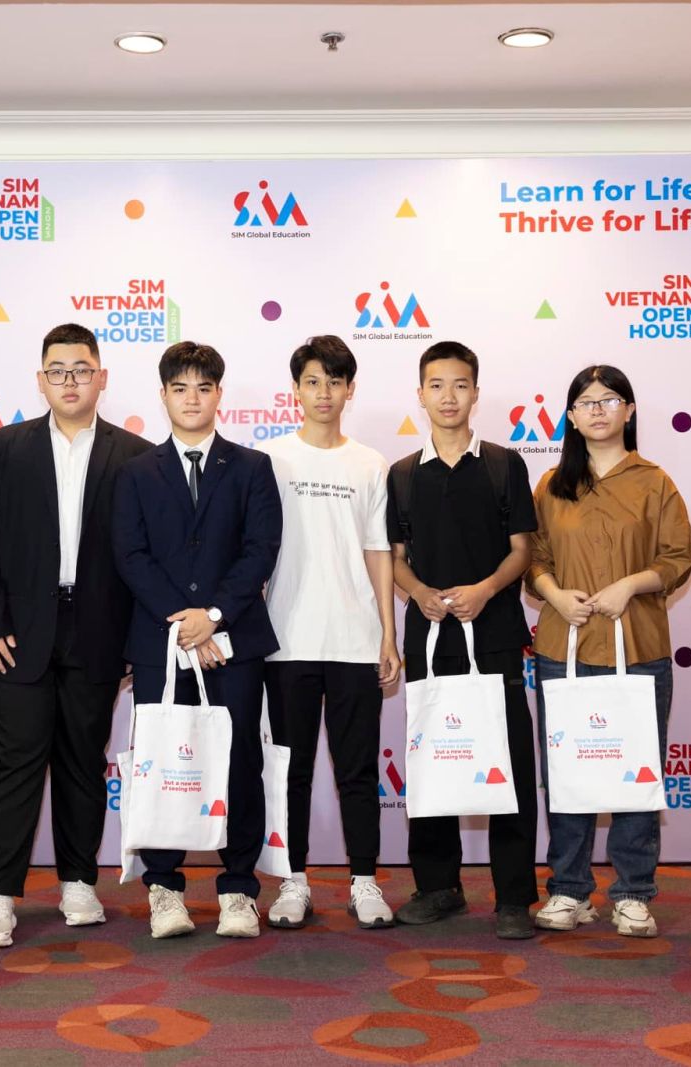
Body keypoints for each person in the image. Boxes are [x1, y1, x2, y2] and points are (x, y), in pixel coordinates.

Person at [0, 323, 151, 949]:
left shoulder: (134, 454)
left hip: (98, 631)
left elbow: (141, 556)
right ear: (40, 380)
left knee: (83, 763)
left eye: (81, 370)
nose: (70, 381)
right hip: (17, 634)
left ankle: (78, 881)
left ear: (102, 378)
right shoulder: (4, 448)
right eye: (58, 371)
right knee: (13, 764)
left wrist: (133, 640)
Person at [112, 340, 283, 940]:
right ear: (163, 396)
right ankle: (164, 888)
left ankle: (238, 889)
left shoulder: (252, 467)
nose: (192, 399)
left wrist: (212, 615)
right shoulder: (136, 472)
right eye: (180, 388)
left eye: (203, 388)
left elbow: (260, 550)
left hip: (232, 641)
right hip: (160, 643)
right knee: (165, 761)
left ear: (219, 396)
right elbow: (130, 554)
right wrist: (182, 622)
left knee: (239, 762)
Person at [527, 364, 691, 939]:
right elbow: (533, 557)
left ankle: (632, 893)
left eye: (610, 399)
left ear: (629, 410)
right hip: (564, 646)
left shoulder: (655, 482)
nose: (598, 410)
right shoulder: (551, 485)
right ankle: (569, 889)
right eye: (586, 402)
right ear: (571, 417)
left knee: (635, 771)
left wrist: (632, 584)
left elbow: (679, 557)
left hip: (639, 645)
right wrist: (553, 594)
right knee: (567, 771)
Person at [388, 341, 541, 939]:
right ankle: (438, 887)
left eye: (459, 385)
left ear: (476, 392)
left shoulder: (504, 465)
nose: (448, 397)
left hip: (496, 636)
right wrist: (417, 591)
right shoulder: (402, 474)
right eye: (436, 385)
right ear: (420, 394)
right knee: (433, 762)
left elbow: (522, 550)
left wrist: (485, 589)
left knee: (509, 764)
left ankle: (514, 898)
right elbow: (394, 558)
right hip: (429, 640)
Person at [259, 336, 401, 931]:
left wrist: (388, 634)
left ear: (350, 389)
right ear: (296, 389)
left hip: (354, 640)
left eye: (335, 382)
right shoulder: (269, 459)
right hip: (286, 642)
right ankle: (293, 881)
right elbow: (254, 553)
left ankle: (364, 881)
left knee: (358, 771)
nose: (324, 393)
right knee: (290, 772)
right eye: (313, 381)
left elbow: (378, 550)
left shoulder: (370, 464)